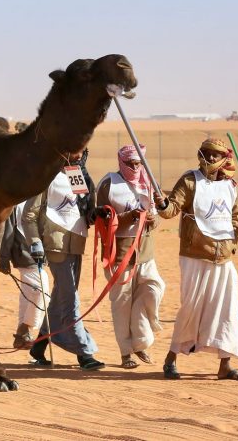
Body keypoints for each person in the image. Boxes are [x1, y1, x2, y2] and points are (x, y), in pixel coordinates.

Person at [154, 138, 238, 381]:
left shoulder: (231, 185)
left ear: (224, 159)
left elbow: (236, 216)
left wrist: (232, 240)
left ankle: (225, 364)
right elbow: (171, 210)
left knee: (227, 310)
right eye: (206, 153)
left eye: (215, 155)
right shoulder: (189, 181)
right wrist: (162, 204)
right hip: (194, 254)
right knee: (191, 307)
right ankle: (171, 359)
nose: (209, 158)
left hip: (224, 257)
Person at [22, 149, 105, 371]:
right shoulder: (45, 177)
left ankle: (39, 345)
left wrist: (96, 214)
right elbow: (28, 216)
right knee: (70, 300)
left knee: (61, 296)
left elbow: (82, 211)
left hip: (77, 244)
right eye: (73, 150)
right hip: (54, 245)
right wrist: (35, 242)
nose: (78, 155)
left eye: (80, 150)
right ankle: (84, 353)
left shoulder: (77, 175)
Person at [96, 144, 165, 369]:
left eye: (139, 163)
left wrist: (153, 220)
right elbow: (102, 221)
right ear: (121, 162)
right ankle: (126, 352)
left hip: (146, 253)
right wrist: (128, 217)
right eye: (131, 163)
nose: (135, 167)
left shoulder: (150, 182)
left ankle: (141, 340)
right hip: (119, 256)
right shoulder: (109, 184)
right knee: (122, 305)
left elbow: (158, 213)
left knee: (153, 290)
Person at [0, 201, 50, 349]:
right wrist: (4, 257)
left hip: (41, 254)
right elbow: (7, 231)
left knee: (28, 295)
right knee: (41, 292)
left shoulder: (43, 195)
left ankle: (22, 336)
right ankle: (24, 329)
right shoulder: (16, 201)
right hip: (25, 255)